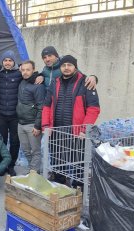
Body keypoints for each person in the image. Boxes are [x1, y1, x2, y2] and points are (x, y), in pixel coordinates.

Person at [41, 55, 100, 185]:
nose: (66, 68)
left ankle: (78, 191)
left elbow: (93, 109)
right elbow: (46, 106)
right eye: (63, 65)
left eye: (69, 65)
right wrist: (46, 126)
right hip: (56, 132)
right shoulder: (54, 82)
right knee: (57, 163)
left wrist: (84, 129)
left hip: (77, 133)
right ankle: (59, 187)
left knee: (79, 165)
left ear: (75, 67)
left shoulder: (85, 82)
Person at [16, 60, 46, 175]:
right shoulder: (22, 82)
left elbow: (41, 107)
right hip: (21, 123)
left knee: (35, 151)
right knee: (26, 150)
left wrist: (37, 125)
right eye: (23, 70)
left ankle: (33, 174)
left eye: (28, 69)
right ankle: (32, 170)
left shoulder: (38, 86)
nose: (25, 72)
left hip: (32, 124)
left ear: (33, 70)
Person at [0, 50, 22, 176]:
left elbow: (32, 75)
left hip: (14, 115)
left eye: (10, 60)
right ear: (2, 62)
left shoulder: (19, 73)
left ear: (14, 62)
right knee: (1, 140)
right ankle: (2, 164)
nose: (7, 62)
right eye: (5, 60)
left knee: (15, 141)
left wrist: (38, 76)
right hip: (1, 113)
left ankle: (11, 165)